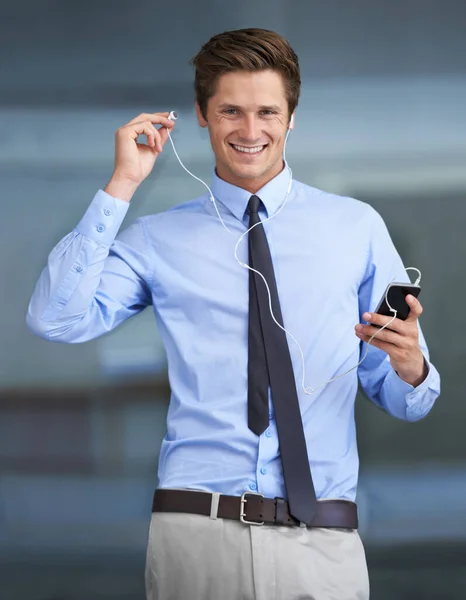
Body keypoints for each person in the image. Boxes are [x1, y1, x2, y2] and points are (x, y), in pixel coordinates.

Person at [27, 28, 440, 600]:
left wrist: (413, 367)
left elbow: (398, 395)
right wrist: (122, 185)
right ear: (201, 114)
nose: (250, 131)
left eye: (267, 111)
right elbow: (55, 319)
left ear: (291, 116)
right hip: (194, 534)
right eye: (231, 111)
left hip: (321, 540)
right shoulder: (157, 238)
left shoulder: (357, 228)